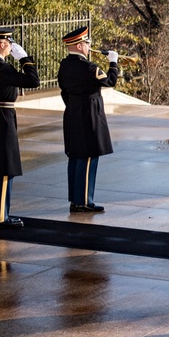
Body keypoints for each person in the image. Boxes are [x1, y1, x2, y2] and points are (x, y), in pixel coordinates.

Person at [0, 28, 40, 230]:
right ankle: (0, 218)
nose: (11, 47)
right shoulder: (2, 68)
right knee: (3, 170)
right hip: (2, 121)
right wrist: (25, 59)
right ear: (2, 44)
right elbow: (33, 81)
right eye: (10, 43)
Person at [57, 26, 118, 213]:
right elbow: (110, 81)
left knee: (75, 156)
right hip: (89, 115)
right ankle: (84, 201)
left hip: (72, 113)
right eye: (86, 43)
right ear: (80, 45)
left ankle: (75, 200)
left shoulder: (64, 65)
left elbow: (64, 91)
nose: (88, 46)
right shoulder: (88, 67)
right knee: (88, 156)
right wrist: (113, 63)